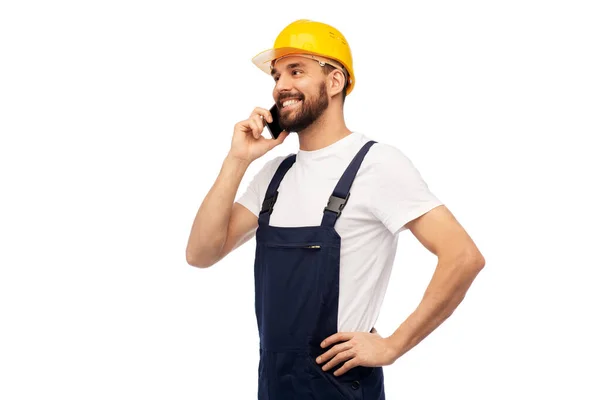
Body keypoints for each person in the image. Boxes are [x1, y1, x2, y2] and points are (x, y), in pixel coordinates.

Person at [186, 19, 485, 400]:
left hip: (340, 388)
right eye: (277, 76)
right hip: (275, 386)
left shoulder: (377, 164)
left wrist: (393, 345)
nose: (281, 86)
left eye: (297, 71)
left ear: (334, 82)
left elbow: (463, 256)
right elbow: (200, 253)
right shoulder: (275, 175)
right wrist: (236, 159)